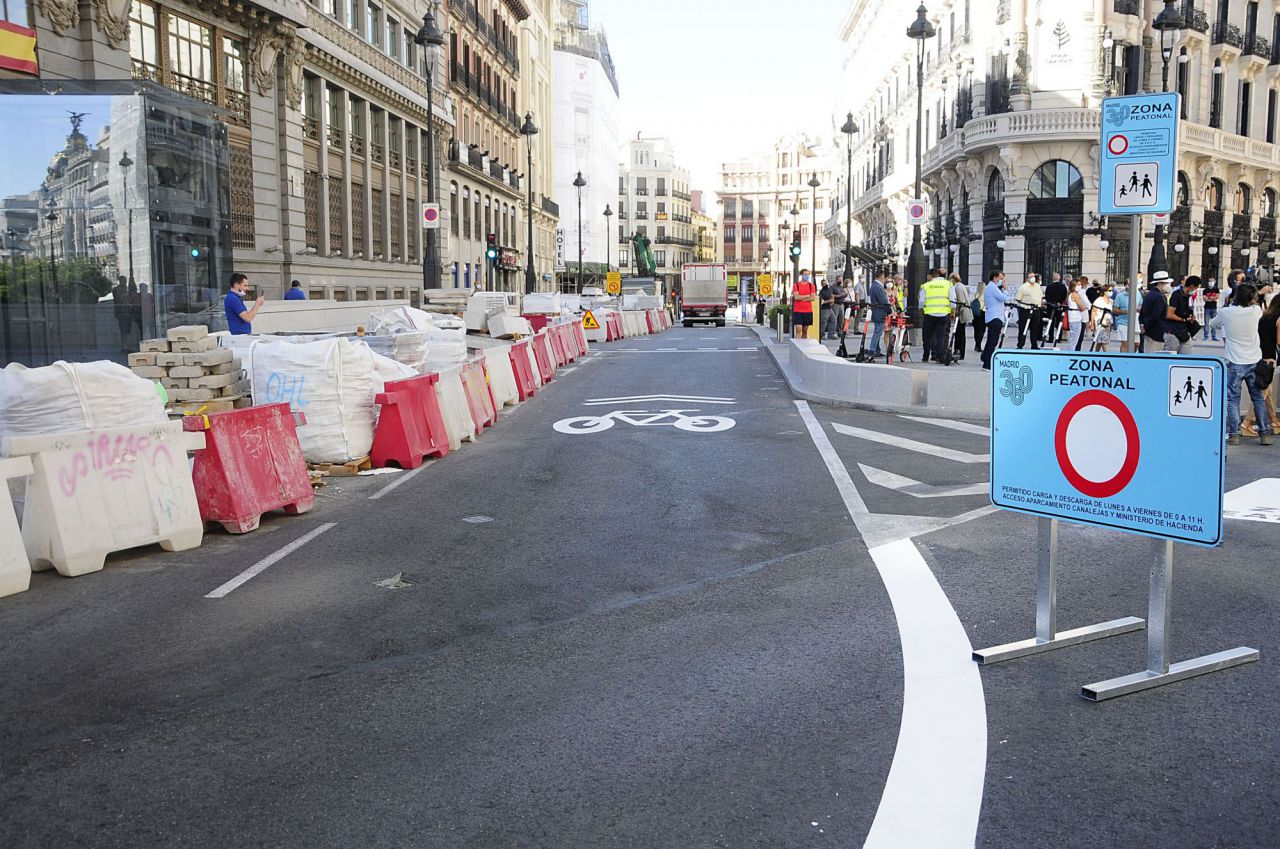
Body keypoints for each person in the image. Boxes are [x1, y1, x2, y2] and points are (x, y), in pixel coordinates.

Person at [1211, 283, 1273, 446]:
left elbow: (1213, 324)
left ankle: (1234, 434)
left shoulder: (1226, 313)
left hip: (1235, 362)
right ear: (1251, 298)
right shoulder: (1255, 311)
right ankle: (1264, 433)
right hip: (1254, 360)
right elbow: (1256, 303)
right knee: (1258, 398)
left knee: (1233, 400)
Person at [1244, 294, 1280, 435]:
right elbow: (1279, 341)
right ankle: (1247, 422)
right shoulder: (1279, 319)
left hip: (1259, 355)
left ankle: (1274, 420)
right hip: (1270, 358)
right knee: (1262, 393)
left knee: (1267, 392)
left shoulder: (1264, 316)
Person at [921, 268, 954, 363]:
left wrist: (922, 310)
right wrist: (953, 311)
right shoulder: (948, 284)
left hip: (929, 314)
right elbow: (952, 300)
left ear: (930, 276)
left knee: (927, 336)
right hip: (943, 314)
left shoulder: (925, 285)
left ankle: (925, 356)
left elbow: (921, 301)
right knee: (941, 336)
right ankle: (939, 357)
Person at [1164, 273, 1201, 354]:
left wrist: (1190, 317)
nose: (1196, 290)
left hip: (1184, 331)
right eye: (1196, 288)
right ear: (1191, 286)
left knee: (1187, 357)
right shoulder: (1176, 295)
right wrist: (1183, 319)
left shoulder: (1188, 297)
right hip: (1173, 332)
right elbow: (1169, 314)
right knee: (1171, 358)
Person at [981, 270, 1009, 370]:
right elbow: (1003, 298)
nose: (1002, 281)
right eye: (1001, 278)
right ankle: (987, 364)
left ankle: (984, 357)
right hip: (995, 317)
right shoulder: (992, 287)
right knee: (993, 341)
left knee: (990, 340)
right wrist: (1005, 289)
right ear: (995, 278)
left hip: (993, 316)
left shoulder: (992, 287)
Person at [1139, 271, 1171, 353]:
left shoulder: (1149, 294)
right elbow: (1156, 315)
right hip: (1157, 333)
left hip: (1148, 332)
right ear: (1160, 283)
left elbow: (1142, 312)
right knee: (1155, 356)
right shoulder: (1159, 297)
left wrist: (1143, 325)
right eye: (1166, 283)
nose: (1168, 285)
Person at [1014, 273, 1044, 349]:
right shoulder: (1023, 287)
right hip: (1026, 310)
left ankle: (1034, 345)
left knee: (1035, 328)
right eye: (1031, 277)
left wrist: (1040, 304)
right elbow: (1018, 299)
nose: (1033, 278)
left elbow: (1041, 296)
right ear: (1027, 278)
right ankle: (1020, 344)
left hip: (1036, 310)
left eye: (1034, 277)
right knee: (1023, 328)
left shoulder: (1037, 286)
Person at [867, 270, 891, 357]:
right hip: (879, 312)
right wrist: (888, 308)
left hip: (877, 311)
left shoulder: (874, 285)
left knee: (877, 331)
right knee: (877, 332)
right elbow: (883, 300)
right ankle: (872, 350)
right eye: (883, 277)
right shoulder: (877, 286)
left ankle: (877, 350)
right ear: (881, 276)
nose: (884, 279)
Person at [1043, 272, 1069, 348]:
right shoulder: (1063, 286)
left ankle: (1051, 338)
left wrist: (1053, 302)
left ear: (1052, 278)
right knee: (1059, 322)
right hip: (1060, 306)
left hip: (1051, 306)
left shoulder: (1049, 286)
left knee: (1050, 322)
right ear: (1059, 278)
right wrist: (1059, 302)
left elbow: (1047, 297)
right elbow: (1064, 296)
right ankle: (1059, 337)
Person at [949, 272, 971, 361]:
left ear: (953, 279)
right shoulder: (961, 286)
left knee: (959, 333)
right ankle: (959, 351)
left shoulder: (958, 287)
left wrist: (956, 312)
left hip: (961, 313)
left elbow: (960, 301)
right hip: (963, 311)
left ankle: (959, 351)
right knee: (960, 333)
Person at [1089, 283, 1115, 352]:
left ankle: (1096, 354)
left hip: (1107, 323)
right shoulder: (1099, 300)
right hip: (1100, 323)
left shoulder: (1111, 301)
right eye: (1109, 291)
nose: (1111, 292)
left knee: (1100, 341)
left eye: (1112, 290)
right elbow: (1093, 312)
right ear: (1104, 291)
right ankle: (1107, 355)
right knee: (1104, 340)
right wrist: (1092, 324)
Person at [1067, 276, 1091, 351]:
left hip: (1074, 318)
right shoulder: (1075, 295)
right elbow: (1082, 306)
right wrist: (1083, 307)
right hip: (1075, 318)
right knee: (1075, 339)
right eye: (1078, 285)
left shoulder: (1071, 294)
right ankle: (1072, 353)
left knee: (1074, 338)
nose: (1080, 286)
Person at [792, 269, 816, 338]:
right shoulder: (796, 285)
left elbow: (813, 298)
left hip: (808, 310)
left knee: (805, 331)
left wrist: (801, 298)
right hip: (798, 310)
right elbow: (796, 297)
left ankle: (804, 346)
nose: (807, 276)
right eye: (805, 274)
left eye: (808, 274)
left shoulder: (811, 286)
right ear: (801, 275)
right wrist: (808, 296)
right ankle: (797, 345)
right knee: (798, 329)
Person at [1113, 281, 1132, 352]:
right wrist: (1125, 312)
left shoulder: (1138, 294)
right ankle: (1123, 359)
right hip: (1123, 322)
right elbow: (1114, 309)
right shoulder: (1120, 295)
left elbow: (1141, 305)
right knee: (1125, 343)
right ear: (1127, 286)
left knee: (1136, 344)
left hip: (1135, 323)